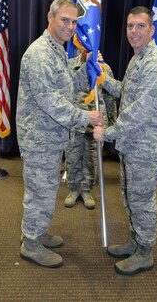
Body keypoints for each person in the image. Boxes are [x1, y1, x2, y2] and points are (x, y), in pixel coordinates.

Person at [16, 0, 103, 268]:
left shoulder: (57, 50)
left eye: (74, 21)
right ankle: (30, 243)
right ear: (50, 18)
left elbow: (65, 87)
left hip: (50, 137)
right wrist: (86, 117)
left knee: (47, 187)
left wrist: (86, 64)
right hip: (39, 138)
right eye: (65, 20)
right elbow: (50, 101)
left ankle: (37, 233)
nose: (70, 26)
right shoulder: (40, 53)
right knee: (40, 190)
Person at [94, 6, 157, 276]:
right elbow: (127, 93)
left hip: (146, 148)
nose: (134, 31)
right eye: (130, 26)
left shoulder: (154, 65)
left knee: (142, 201)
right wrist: (105, 78)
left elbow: (138, 113)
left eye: (140, 26)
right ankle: (135, 241)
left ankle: (145, 252)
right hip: (133, 145)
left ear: (151, 30)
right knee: (130, 197)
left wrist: (107, 133)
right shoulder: (138, 58)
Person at [64, 48, 117, 209]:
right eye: (83, 47)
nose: (86, 50)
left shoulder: (104, 67)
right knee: (72, 156)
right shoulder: (69, 65)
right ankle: (73, 189)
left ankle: (87, 190)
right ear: (78, 47)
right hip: (75, 118)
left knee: (92, 157)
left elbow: (109, 96)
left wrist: (112, 120)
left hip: (96, 121)